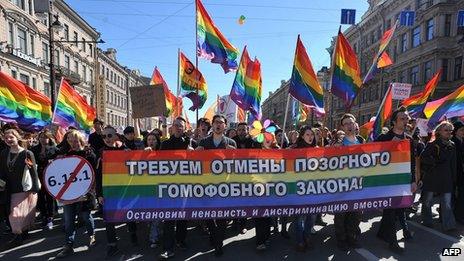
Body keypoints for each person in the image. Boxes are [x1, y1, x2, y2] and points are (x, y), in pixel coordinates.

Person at [376, 107, 416, 254]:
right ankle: (393, 242)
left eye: (407, 118)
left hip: (403, 181)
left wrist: (413, 180)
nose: (406, 121)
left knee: (397, 208)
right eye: (402, 119)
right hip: (387, 181)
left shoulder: (409, 140)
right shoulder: (383, 138)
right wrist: (389, 147)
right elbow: (372, 158)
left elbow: (412, 162)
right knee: (392, 210)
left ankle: (382, 233)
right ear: (394, 122)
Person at [196, 115, 237, 256]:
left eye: (221, 123)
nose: (218, 125)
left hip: (224, 185)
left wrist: (234, 153)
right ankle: (214, 236)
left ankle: (218, 243)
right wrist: (196, 153)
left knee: (222, 217)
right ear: (212, 125)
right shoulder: (204, 142)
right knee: (208, 215)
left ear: (225, 126)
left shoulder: (231, 142)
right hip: (207, 185)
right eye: (216, 122)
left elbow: (237, 164)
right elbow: (195, 162)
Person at [96, 126, 137, 258]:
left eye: (109, 136)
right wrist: (99, 194)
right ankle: (112, 244)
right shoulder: (101, 152)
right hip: (109, 190)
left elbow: (136, 168)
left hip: (125, 189)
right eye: (103, 136)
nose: (106, 139)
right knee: (109, 218)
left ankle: (132, 233)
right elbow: (98, 175)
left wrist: (130, 155)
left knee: (128, 213)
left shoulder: (125, 150)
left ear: (116, 137)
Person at [55, 130, 97, 258]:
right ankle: (68, 245)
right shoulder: (65, 154)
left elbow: (93, 172)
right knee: (69, 220)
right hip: (69, 193)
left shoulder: (89, 153)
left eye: (76, 140)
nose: (73, 143)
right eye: (71, 141)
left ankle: (91, 235)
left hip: (85, 191)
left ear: (81, 140)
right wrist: (58, 162)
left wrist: (92, 190)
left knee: (86, 216)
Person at [0, 129, 40, 249]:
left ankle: (18, 237)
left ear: (17, 138)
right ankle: (24, 234)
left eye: (11, 137)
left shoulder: (27, 154)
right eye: (6, 138)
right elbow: (1, 171)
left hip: (24, 188)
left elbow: (33, 172)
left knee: (16, 214)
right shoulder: (3, 153)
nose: (8, 140)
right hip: (9, 189)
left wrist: (35, 189)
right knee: (15, 214)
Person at [159, 117, 192, 259]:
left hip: (185, 186)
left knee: (183, 218)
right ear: (172, 127)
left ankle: (181, 240)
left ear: (184, 128)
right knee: (169, 218)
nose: (178, 128)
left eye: (181, 126)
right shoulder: (165, 144)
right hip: (169, 187)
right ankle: (168, 247)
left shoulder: (191, 144)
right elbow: (158, 164)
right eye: (176, 125)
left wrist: (194, 154)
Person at [420, 121, 457, 231]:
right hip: (432, 177)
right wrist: (434, 160)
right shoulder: (432, 144)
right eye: (446, 130)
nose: (449, 132)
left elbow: (453, 164)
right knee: (427, 201)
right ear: (439, 131)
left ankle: (449, 225)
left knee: (447, 203)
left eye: (450, 130)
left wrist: (454, 179)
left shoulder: (452, 145)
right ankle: (427, 220)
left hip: (446, 178)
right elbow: (423, 158)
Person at [333, 114, 362, 251]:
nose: (349, 126)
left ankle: (352, 237)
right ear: (342, 127)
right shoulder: (338, 144)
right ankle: (341, 239)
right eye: (346, 124)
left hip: (357, 185)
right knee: (341, 215)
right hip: (341, 186)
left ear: (355, 125)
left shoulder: (361, 141)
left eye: (351, 123)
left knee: (355, 215)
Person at [293, 125, 317, 252]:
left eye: (312, 134)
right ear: (302, 136)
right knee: (299, 218)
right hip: (298, 189)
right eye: (307, 134)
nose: (310, 137)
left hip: (313, 189)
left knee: (311, 217)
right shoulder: (294, 149)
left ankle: (307, 236)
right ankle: (300, 240)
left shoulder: (317, 149)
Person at [253, 135, 278, 250]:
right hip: (257, 188)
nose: (267, 141)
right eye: (265, 139)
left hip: (272, 189)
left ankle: (266, 236)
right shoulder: (255, 153)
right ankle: (260, 241)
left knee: (267, 215)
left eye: (269, 139)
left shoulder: (277, 152)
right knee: (259, 215)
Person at [31, 130, 59, 230]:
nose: (43, 139)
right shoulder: (34, 149)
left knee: (50, 196)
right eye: (41, 137)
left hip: (50, 176)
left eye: (45, 137)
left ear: (49, 138)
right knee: (40, 196)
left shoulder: (54, 149)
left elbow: (59, 162)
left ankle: (50, 217)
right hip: (38, 176)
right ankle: (43, 215)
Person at [452, 121, 464, 224]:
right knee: (455, 195)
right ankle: (458, 215)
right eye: (461, 130)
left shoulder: (462, 141)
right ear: (455, 131)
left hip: (462, 172)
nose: (463, 132)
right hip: (455, 173)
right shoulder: (453, 142)